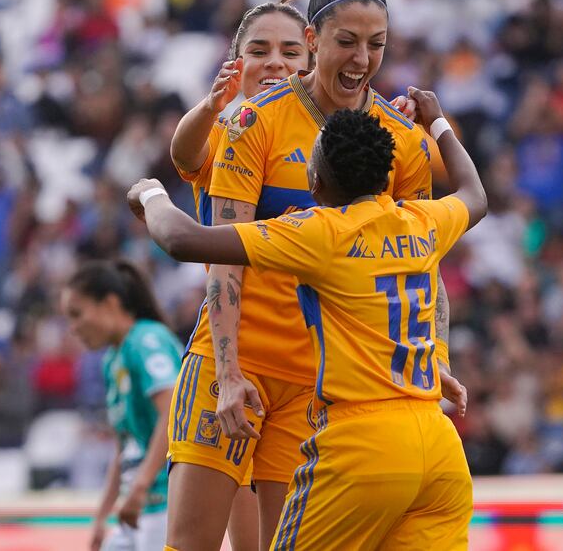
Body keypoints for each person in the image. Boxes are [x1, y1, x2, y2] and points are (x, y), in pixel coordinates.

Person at [164, 0, 460, 551]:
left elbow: (422, 269)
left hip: (316, 383)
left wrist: (437, 358)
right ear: (314, 40)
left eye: (376, 44)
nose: (362, 59)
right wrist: (228, 372)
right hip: (233, 362)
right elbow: (223, 258)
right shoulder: (252, 122)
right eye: (347, 41)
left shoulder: (401, 140)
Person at [128, 87, 484, 550]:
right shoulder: (423, 219)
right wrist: (437, 123)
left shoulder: (320, 232)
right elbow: (475, 194)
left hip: (362, 439)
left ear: (316, 181)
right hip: (438, 446)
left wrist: (151, 194)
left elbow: (182, 239)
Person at [168, 0, 310, 551]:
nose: (275, 62)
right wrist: (212, 105)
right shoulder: (231, 128)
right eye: (259, 50)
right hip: (229, 360)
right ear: (236, 63)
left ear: (312, 60)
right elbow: (184, 154)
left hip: (306, 374)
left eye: (290, 51)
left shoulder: (338, 143)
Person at [61, 261, 183, 551]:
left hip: (167, 503)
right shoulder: (112, 360)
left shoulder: (146, 340)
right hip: (137, 508)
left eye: (77, 314)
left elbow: (173, 411)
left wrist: (141, 485)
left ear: (110, 303)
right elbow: (124, 443)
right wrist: (102, 516)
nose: (73, 328)